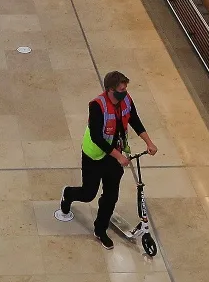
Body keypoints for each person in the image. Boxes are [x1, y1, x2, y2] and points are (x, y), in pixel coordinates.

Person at [56, 70, 157, 248]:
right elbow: (97, 137)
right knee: (88, 194)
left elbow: (134, 120)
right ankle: (68, 194)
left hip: (114, 156)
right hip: (94, 155)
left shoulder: (126, 99)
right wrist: (119, 157)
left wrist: (148, 142)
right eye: (121, 89)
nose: (124, 92)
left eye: (125, 88)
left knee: (111, 196)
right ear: (110, 90)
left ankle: (100, 229)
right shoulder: (97, 105)